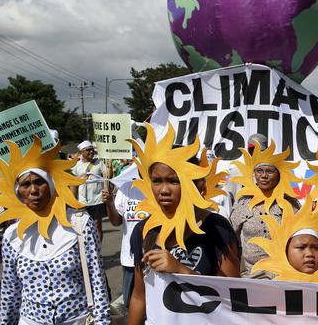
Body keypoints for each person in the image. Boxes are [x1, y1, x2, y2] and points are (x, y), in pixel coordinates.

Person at [0, 138, 110, 324]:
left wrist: (102, 321)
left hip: (77, 319)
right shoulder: (12, 235)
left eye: (39, 182)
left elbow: (97, 280)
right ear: (19, 191)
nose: (34, 190)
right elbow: (10, 292)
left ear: (51, 186)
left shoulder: (79, 224)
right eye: (26, 185)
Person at [127, 126, 240, 324]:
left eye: (173, 181)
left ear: (193, 183)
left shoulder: (216, 228)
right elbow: (139, 296)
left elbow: (233, 297)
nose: (163, 190)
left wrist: (182, 270)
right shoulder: (143, 230)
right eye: (156, 181)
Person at [229, 141, 301, 278]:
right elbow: (230, 241)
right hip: (249, 277)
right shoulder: (243, 203)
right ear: (254, 174)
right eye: (259, 171)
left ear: (279, 175)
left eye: (270, 171)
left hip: (283, 276)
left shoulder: (291, 203)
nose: (264, 176)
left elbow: (301, 238)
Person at [103, 182, 147, 310]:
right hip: (129, 260)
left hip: (153, 260)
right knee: (131, 304)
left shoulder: (159, 187)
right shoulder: (126, 188)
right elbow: (116, 221)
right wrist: (110, 203)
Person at [71, 140, 108, 242]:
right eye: (88, 150)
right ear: (81, 153)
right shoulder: (76, 165)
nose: (91, 152)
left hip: (97, 200)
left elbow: (106, 177)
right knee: (83, 227)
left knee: (97, 226)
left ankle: (99, 248)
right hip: (82, 202)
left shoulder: (99, 163)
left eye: (92, 150)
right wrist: (73, 201)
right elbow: (73, 184)